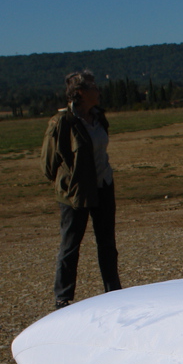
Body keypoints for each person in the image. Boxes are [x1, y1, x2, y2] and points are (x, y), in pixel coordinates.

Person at [41, 70, 121, 309]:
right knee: (70, 244)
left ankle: (113, 291)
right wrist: (67, 182)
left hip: (103, 185)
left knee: (107, 243)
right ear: (80, 93)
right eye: (93, 87)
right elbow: (49, 163)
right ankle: (63, 297)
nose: (98, 90)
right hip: (75, 192)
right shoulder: (62, 122)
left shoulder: (99, 117)